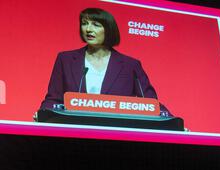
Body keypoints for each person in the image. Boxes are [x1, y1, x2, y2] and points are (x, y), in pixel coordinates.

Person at [40, 8, 170, 115]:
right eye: (85, 23)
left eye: (96, 25)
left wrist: (173, 123)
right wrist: (43, 114)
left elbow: (150, 103)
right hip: (75, 132)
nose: (88, 29)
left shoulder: (130, 65)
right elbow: (53, 98)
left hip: (115, 133)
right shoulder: (66, 59)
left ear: (108, 29)